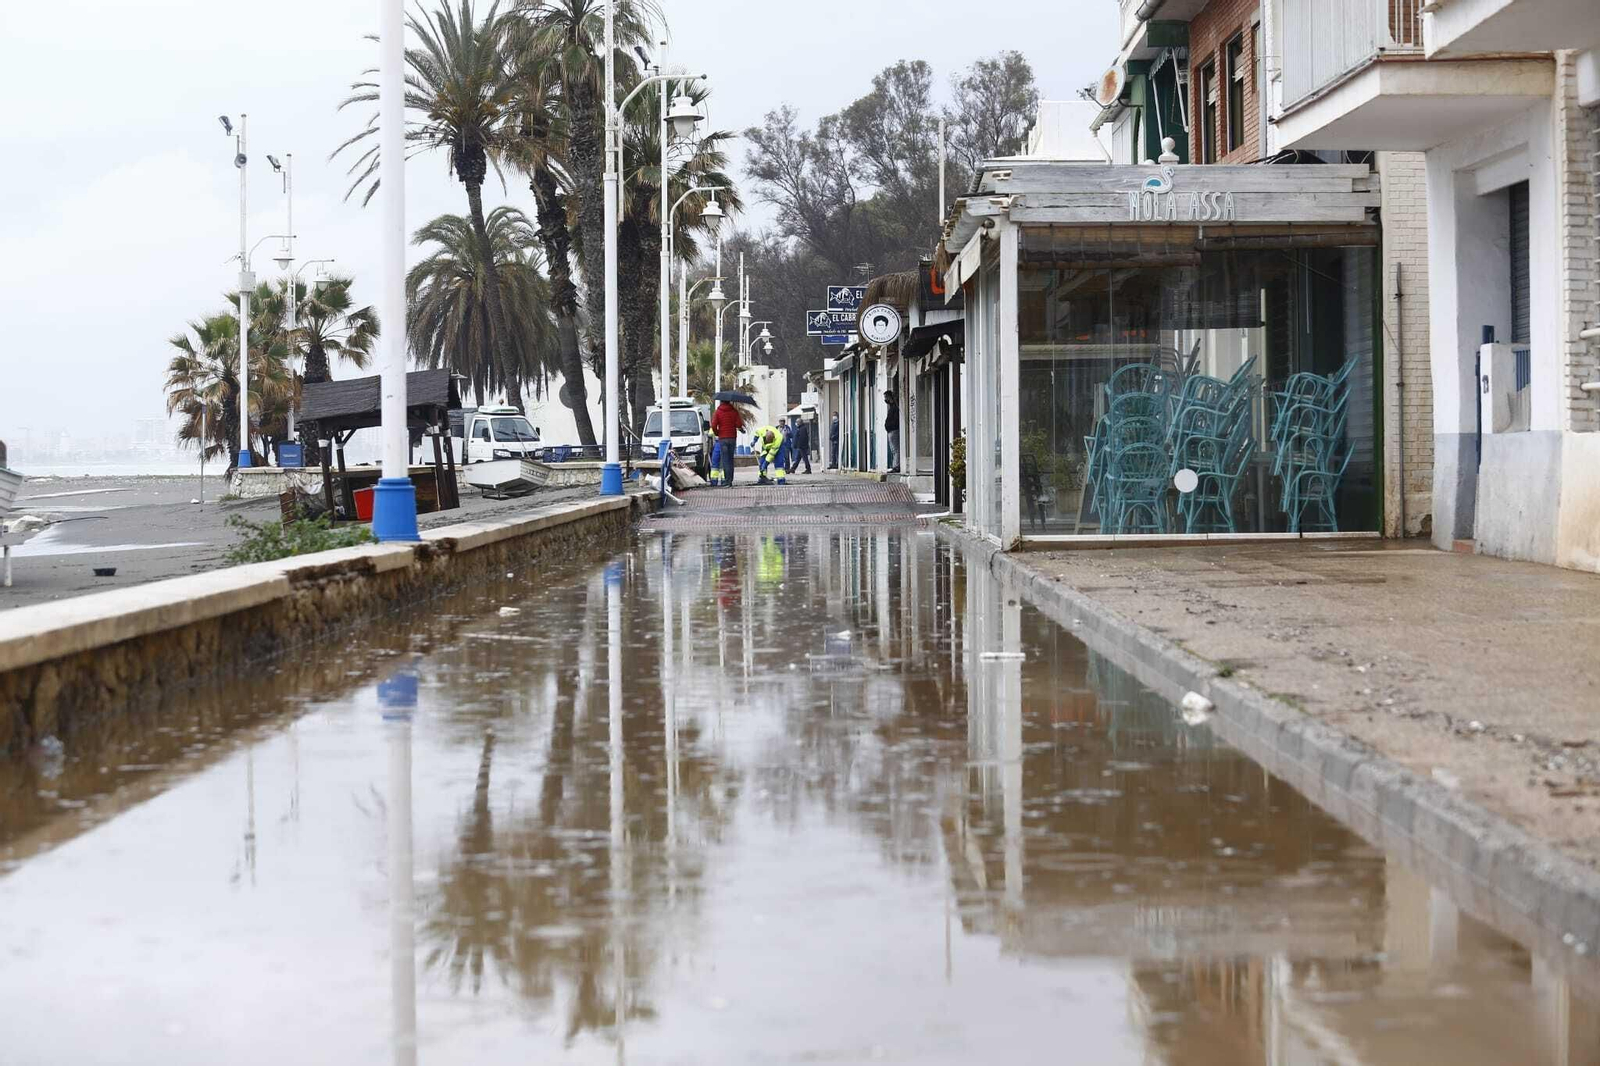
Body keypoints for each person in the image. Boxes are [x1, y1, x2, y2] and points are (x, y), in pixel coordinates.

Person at [711, 398, 742, 488]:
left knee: (725, 460)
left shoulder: (718, 412)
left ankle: (726, 481)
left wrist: (717, 433)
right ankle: (730, 480)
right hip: (732, 438)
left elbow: (713, 425)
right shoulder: (734, 411)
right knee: (730, 459)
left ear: (721, 402)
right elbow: (739, 424)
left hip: (723, 438)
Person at [884, 390, 901, 473]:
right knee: (894, 450)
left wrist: (891, 426)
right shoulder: (891, 406)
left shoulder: (895, 407)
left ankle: (896, 466)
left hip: (894, 430)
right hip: (891, 430)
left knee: (895, 449)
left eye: (886, 397)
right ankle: (895, 465)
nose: (885, 399)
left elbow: (896, 419)